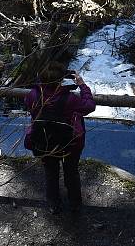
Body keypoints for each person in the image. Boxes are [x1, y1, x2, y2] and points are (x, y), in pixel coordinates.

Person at [24, 62, 95, 214]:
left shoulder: (33, 95)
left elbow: (29, 104)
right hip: (70, 143)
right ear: (60, 80)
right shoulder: (70, 99)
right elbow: (89, 106)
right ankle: (75, 204)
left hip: (44, 141)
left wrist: (40, 83)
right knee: (71, 172)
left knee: (51, 172)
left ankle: (53, 204)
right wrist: (82, 85)